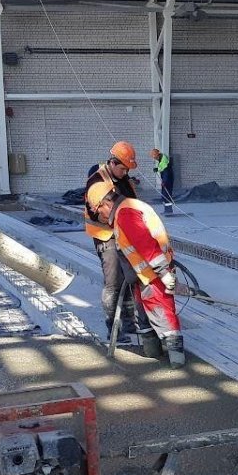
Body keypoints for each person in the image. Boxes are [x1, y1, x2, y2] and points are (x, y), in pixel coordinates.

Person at [87, 179, 184, 367]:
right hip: (144, 275)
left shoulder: (126, 213)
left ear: (107, 203)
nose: (100, 215)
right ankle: (153, 352)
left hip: (154, 275)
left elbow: (146, 245)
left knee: (162, 314)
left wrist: (163, 273)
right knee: (146, 316)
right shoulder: (124, 210)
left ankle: (177, 361)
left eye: (99, 210)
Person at [84, 140, 146, 344]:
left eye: (128, 170)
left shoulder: (124, 180)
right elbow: (111, 212)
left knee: (129, 279)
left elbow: (132, 205)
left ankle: (129, 323)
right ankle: (113, 329)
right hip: (107, 237)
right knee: (114, 283)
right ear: (113, 162)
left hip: (124, 235)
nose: (125, 173)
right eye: (123, 169)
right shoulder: (97, 183)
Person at [150, 147, 175, 215]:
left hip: (168, 180)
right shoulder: (161, 159)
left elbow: (166, 172)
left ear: (157, 155)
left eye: (154, 157)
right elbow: (162, 167)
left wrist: (164, 181)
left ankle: (169, 210)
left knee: (166, 195)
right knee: (164, 195)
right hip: (166, 179)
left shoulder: (163, 159)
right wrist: (157, 169)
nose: (154, 158)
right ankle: (167, 210)